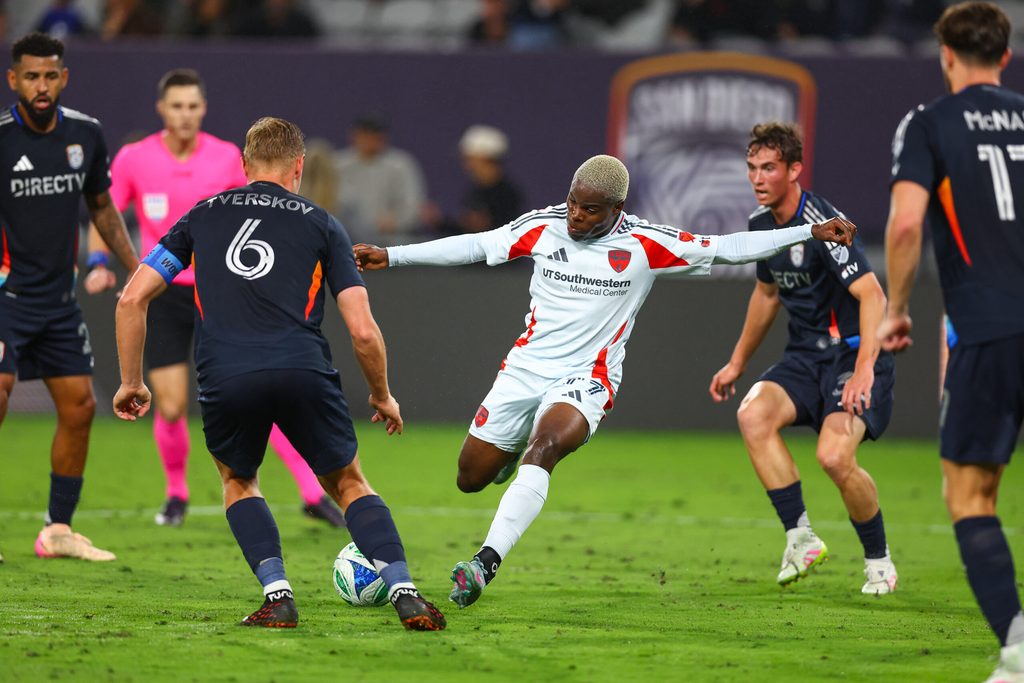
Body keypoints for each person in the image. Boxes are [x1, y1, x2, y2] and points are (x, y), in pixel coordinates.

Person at [353, 154, 858, 609]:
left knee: (546, 445)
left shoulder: (646, 244)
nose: (576, 216)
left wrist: (808, 233)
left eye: (591, 210)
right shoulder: (542, 226)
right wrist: (393, 255)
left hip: (587, 379)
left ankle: (484, 562)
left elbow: (729, 248)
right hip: (525, 369)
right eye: (573, 204)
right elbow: (477, 245)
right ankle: (506, 460)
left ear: (617, 208)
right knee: (470, 478)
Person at [112, 116, 445, 631]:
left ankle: (278, 597)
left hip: (225, 374)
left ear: (244, 166)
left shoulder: (199, 217)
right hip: (302, 368)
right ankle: (405, 591)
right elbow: (362, 331)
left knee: (240, 480)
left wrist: (132, 381)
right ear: (299, 166)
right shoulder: (322, 224)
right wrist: (382, 394)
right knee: (349, 482)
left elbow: (132, 298)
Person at [85, 68, 345, 529]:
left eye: (193, 106)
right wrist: (98, 263)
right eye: (176, 106)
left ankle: (310, 493)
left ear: (203, 109)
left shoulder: (227, 158)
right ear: (161, 110)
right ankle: (177, 494)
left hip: (222, 295)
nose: (185, 114)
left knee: (264, 395)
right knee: (169, 405)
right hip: (165, 295)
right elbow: (104, 212)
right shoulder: (133, 158)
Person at [879, 3, 1024, 680]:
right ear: (1006, 55)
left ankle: (1017, 650)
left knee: (971, 494)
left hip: (990, 325)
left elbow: (906, 226)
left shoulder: (930, 123)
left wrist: (898, 309)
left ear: (945, 56)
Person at [708, 122, 897, 594]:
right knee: (752, 415)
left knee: (834, 457)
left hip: (851, 357)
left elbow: (874, 296)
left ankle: (879, 562)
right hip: (804, 358)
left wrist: (865, 370)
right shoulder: (759, 226)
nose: (757, 177)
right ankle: (801, 538)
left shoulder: (826, 223)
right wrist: (737, 362)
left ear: (795, 170)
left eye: (768, 167)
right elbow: (767, 295)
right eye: (752, 167)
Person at [0, 32, 138, 562]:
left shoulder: (86, 134)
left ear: (64, 77)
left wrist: (135, 269)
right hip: (6, 297)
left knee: (80, 407)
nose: (41, 85)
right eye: (31, 76)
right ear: (14, 80)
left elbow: (101, 207)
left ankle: (57, 530)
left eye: (50, 75)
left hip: (58, 302)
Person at [333, 113, 426, 246]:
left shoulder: (401, 165)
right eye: (366, 134)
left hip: (390, 243)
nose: (371, 140)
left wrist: (395, 221)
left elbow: (413, 207)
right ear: (355, 136)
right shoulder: (338, 165)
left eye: (376, 135)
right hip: (345, 241)